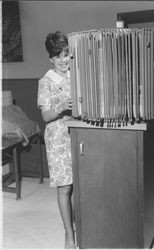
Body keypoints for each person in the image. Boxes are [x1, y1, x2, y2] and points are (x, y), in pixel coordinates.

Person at [37, 31, 75, 249]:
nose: (63, 59)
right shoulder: (45, 81)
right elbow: (45, 115)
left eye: (66, 54)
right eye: (58, 55)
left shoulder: (77, 75)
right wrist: (60, 108)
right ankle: (69, 235)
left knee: (84, 183)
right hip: (58, 136)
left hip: (80, 133)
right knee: (65, 188)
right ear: (50, 58)